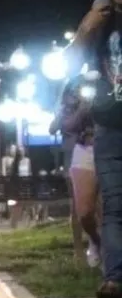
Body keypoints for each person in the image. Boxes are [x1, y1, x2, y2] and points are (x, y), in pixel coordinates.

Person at [73, 0, 122, 298]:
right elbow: (70, 64)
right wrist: (85, 28)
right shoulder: (101, 20)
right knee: (115, 208)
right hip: (110, 126)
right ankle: (115, 282)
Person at [53, 75, 100, 266]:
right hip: (74, 158)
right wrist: (79, 109)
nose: (76, 93)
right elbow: (57, 127)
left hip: (94, 153)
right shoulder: (67, 110)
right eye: (73, 90)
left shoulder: (93, 104)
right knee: (78, 209)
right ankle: (80, 249)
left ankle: (96, 246)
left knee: (99, 205)